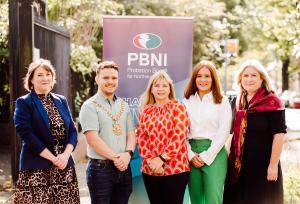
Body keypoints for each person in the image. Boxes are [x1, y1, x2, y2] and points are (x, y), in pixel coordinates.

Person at [13, 59, 80, 204]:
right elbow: (26, 134)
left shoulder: (61, 100)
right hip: (37, 168)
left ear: (53, 78)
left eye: (48, 74)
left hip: (64, 168)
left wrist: (65, 155)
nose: (45, 78)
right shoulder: (24, 102)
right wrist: (53, 158)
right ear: (31, 79)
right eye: (40, 75)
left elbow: (73, 131)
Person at [223, 60, 286, 204]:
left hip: (263, 164)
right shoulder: (237, 101)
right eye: (245, 76)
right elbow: (230, 134)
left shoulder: (272, 101)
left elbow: (279, 134)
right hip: (238, 166)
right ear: (240, 79)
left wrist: (273, 165)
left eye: (253, 75)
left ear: (262, 78)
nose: (249, 79)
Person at [79, 61, 136, 204]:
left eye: (114, 78)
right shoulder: (89, 106)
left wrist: (128, 155)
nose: (110, 81)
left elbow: (131, 134)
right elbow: (93, 139)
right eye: (106, 78)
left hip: (124, 167)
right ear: (97, 79)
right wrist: (117, 158)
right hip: (100, 170)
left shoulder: (124, 105)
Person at [137, 70, 190, 204]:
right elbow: (142, 138)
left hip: (175, 168)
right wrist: (151, 161)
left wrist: (161, 159)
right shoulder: (146, 110)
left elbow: (179, 136)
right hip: (150, 169)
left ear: (170, 88)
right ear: (151, 89)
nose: (160, 89)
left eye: (164, 85)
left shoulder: (178, 107)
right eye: (157, 85)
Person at [182, 60, 232, 204]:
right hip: (191, 152)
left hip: (214, 153)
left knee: (213, 200)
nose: (203, 80)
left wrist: (206, 156)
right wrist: (190, 155)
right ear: (194, 78)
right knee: (196, 200)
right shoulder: (186, 101)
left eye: (207, 76)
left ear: (213, 79)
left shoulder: (222, 101)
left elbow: (223, 132)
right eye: (199, 76)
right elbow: (181, 131)